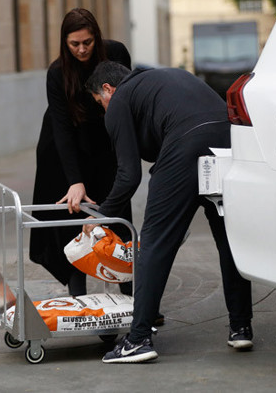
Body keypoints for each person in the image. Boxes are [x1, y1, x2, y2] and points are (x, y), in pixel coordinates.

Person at [84, 61, 253, 363]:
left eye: (100, 102)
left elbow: (128, 175)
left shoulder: (120, 99)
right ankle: (241, 327)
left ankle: (138, 339)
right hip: (227, 140)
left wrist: (102, 215)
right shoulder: (164, 77)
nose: (104, 110)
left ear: (108, 89)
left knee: (154, 242)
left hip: (185, 143)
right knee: (229, 238)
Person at [29, 8, 132, 297]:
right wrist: (75, 180)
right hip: (65, 146)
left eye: (87, 42)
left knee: (117, 214)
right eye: (74, 44)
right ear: (65, 42)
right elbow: (61, 129)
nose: (82, 49)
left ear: (96, 37)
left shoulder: (116, 53)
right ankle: (78, 298)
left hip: (106, 141)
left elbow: (125, 103)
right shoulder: (57, 72)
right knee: (74, 217)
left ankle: (134, 298)